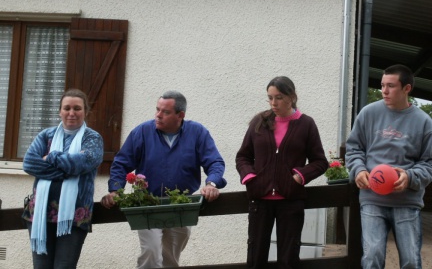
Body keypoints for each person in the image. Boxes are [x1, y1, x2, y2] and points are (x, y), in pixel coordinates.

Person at [101, 90, 227, 268]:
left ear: (180, 115)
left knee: (170, 260)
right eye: (157, 109)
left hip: (182, 205)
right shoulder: (142, 132)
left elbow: (215, 161)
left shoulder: (197, 132)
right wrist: (115, 190)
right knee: (151, 253)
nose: (158, 115)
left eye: (165, 112)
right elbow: (121, 163)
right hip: (147, 205)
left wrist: (211, 183)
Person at [236, 76, 328, 269]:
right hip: (260, 201)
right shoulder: (259, 122)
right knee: (255, 257)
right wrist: (251, 177)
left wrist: (299, 176)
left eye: (278, 97)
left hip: (291, 201)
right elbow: (243, 157)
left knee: (288, 258)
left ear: (291, 97)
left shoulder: (306, 124)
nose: (273, 103)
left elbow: (320, 162)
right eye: (269, 97)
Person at [346, 64, 432, 269]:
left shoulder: (424, 122)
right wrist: (358, 169)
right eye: (382, 85)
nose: (384, 91)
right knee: (372, 257)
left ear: (407, 89)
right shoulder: (368, 113)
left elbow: (429, 163)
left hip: (407, 202)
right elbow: (354, 148)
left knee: (411, 261)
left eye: (391, 86)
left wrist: (410, 177)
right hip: (372, 198)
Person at [22, 88, 104, 269]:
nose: (72, 113)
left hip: (74, 218)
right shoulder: (46, 135)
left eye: (77, 108)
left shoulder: (93, 138)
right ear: (60, 111)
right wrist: (66, 171)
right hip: (40, 216)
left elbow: (82, 163)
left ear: (86, 111)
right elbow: (29, 163)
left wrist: (50, 157)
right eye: (67, 108)